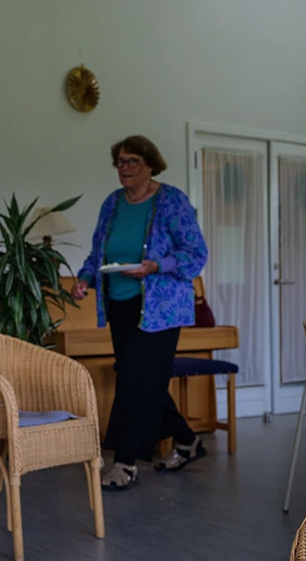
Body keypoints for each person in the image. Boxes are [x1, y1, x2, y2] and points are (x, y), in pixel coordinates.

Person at [72, 135, 208, 491]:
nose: (125, 168)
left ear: (150, 164)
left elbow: (196, 254)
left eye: (132, 161)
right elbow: (97, 251)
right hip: (120, 305)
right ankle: (186, 440)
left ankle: (126, 462)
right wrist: (84, 279)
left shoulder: (172, 201)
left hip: (161, 310)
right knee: (142, 380)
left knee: (134, 380)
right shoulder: (112, 204)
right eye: (120, 162)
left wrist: (155, 266)